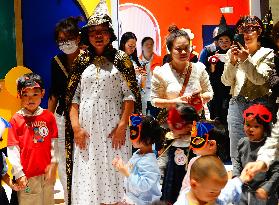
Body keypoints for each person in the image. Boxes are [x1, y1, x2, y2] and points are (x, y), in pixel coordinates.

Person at [64, 0, 141, 204]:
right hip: (86, 129)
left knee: (114, 168)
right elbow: (74, 98)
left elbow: (130, 95)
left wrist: (123, 125)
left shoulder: (122, 60)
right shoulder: (80, 61)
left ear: (110, 34)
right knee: (89, 170)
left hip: (114, 127)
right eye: (93, 32)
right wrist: (76, 128)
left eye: (103, 31)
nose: (98, 36)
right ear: (88, 36)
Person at [221, 16, 274, 168]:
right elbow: (225, 81)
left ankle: (261, 185)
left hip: (260, 103)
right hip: (237, 103)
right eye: (243, 30)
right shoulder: (233, 53)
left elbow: (260, 79)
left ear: (259, 32)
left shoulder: (267, 53)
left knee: (260, 149)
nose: (247, 33)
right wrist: (232, 62)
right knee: (237, 150)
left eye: (252, 29)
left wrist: (245, 60)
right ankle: (238, 185)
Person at [7, 73, 58, 205]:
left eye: (35, 94)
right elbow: (13, 149)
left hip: (47, 175)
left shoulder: (49, 117)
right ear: (19, 95)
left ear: (42, 93)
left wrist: (54, 164)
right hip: (27, 176)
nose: (30, 99)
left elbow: (54, 143)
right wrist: (19, 173)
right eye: (25, 95)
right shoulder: (16, 119)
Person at [48, 16, 82, 204]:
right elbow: (54, 92)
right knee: (63, 161)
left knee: (82, 159)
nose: (65, 43)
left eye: (68, 38)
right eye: (61, 40)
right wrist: (48, 118)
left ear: (78, 37)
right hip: (62, 117)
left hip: (85, 117)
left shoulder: (88, 59)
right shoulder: (56, 61)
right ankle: (70, 200)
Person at [151, 24, 213, 120]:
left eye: (186, 48)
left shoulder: (199, 69)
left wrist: (198, 98)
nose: (183, 52)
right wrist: (176, 102)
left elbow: (209, 93)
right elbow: (154, 100)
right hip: (172, 124)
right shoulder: (161, 72)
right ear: (170, 50)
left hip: (195, 122)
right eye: (178, 49)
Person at [233, 104, 279, 204]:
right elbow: (237, 162)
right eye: (248, 125)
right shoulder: (242, 142)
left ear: (265, 128)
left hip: (263, 194)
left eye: (256, 126)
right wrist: (236, 177)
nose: (250, 129)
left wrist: (267, 188)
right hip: (243, 191)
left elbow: (277, 172)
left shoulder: (270, 146)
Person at [112, 115, 164, 205]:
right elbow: (132, 170)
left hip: (143, 201)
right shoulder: (138, 153)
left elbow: (144, 185)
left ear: (147, 139)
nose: (130, 138)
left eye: (133, 135)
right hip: (131, 197)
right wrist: (121, 166)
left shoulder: (149, 161)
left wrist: (126, 172)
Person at [160, 104, 199, 204]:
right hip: (170, 180)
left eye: (175, 125)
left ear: (189, 126)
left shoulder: (196, 142)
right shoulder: (171, 139)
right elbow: (164, 157)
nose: (170, 128)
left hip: (189, 181)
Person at [175, 155, 245, 205]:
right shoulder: (182, 203)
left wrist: (242, 179)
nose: (218, 194)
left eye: (220, 190)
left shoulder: (212, 193)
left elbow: (228, 190)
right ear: (194, 185)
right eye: (212, 192)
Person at [180, 120, 229, 191]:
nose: (190, 144)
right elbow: (185, 187)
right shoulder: (193, 162)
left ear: (211, 144)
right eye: (191, 138)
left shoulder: (222, 168)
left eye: (196, 140)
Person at [205, 15, 232, 126]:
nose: (224, 43)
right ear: (217, 42)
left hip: (230, 91)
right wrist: (213, 64)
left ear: (231, 42)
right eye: (221, 40)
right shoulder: (212, 55)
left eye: (226, 40)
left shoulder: (235, 54)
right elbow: (211, 74)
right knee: (217, 118)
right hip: (216, 91)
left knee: (229, 118)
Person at [139, 37, 162, 117]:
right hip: (142, 94)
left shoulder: (160, 60)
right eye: (146, 44)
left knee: (155, 118)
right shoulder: (137, 61)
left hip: (155, 94)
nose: (149, 47)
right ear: (142, 47)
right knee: (142, 119)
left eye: (151, 45)